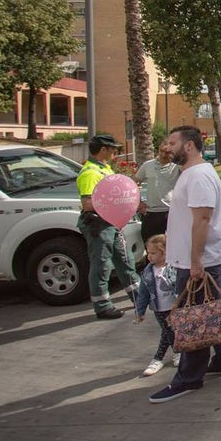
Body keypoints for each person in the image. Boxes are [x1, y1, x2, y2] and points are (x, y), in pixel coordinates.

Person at [149, 125, 221, 404]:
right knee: (214, 308)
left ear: (188, 146)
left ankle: (189, 378)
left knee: (194, 320)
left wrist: (196, 261)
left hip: (199, 262)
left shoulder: (198, 176)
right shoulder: (192, 173)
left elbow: (202, 219)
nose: (167, 147)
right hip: (199, 259)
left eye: (172, 142)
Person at [76, 133, 140, 320]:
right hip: (98, 224)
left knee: (125, 260)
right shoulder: (90, 173)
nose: (116, 153)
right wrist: (116, 205)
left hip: (111, 223)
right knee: (102, 265)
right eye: (113, 150)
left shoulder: (105, 170)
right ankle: (102, 306)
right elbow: (88, 203)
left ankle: (139, 296)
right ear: (103, 149)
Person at [133, 234, 179, 377]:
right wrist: (140, 311)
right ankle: (175, 353)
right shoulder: (148, 272)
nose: (149, 256)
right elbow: (143, 293)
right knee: (168, 331)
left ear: (165, 252)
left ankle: (159, 359)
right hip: (159, 308)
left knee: (168, 332)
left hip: (175, 307)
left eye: (153, 253)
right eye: (148, 252)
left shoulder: (174, 267)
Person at [134, 140, 180, 240]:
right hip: (151, 212)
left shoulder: (177, 167)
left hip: (171, 212)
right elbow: (134, 183)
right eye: (161, 151)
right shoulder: (147, 165)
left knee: (173, 245)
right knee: (150, 243)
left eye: (167, 152)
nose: (163, 155)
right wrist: (139, 202)